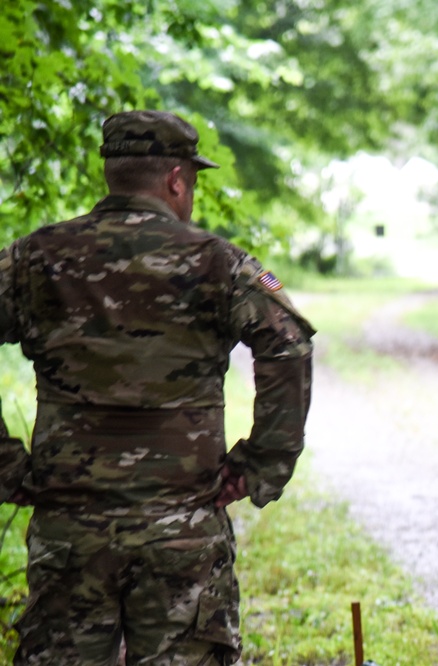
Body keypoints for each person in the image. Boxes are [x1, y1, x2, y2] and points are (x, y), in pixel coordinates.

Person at [0, 110, 315, 665]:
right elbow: (288, 344)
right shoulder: (220, 263)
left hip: (69, 529)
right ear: (176, 180)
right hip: (183, 529)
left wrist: (3, 463)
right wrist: (262, 463)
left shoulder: (33, 258)